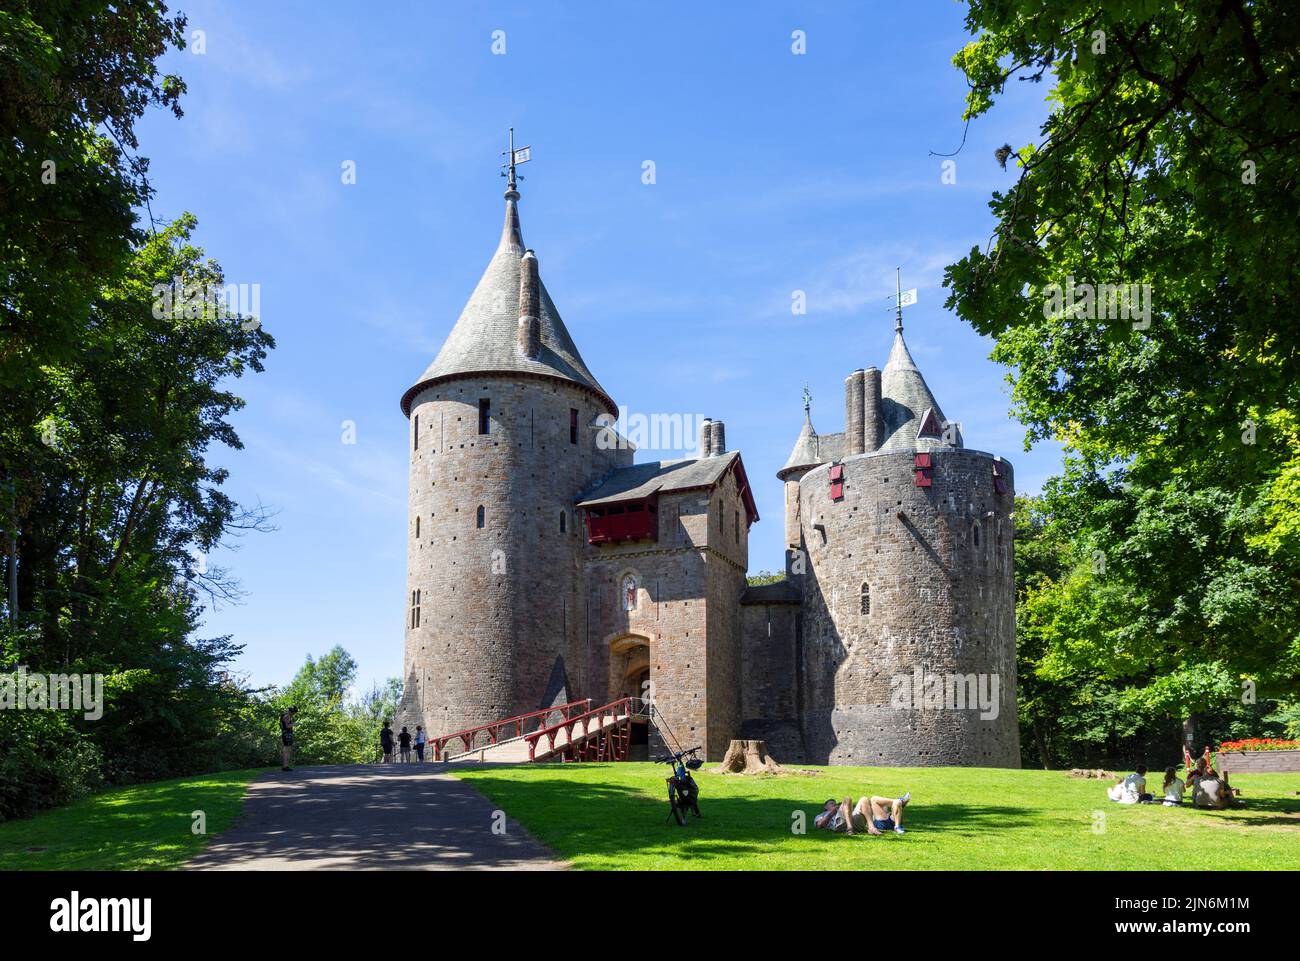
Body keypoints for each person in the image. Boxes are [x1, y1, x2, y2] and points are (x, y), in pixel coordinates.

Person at [814, 792, 911, 836]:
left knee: (864, 799)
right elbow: (819, 825)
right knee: (847, 799)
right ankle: (850, 829)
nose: (834, 804)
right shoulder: (821, 815)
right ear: (825, 807)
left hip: (853, 822)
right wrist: (831, 813)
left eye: (835, 803)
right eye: (831, 803)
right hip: (838, 825)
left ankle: (871, 828)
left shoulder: (841, 808)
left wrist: (842, 808)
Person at [279, 705, 297, 771]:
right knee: (286, 750)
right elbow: (287, 726)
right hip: (286, 734)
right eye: (293, 712)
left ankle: (286, 766)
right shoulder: (286, 716)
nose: (293, 714)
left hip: (287, 734)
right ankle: (285, 766)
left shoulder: (287, 716)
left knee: (288, 750)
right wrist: (294, 724)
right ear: (290, 711)